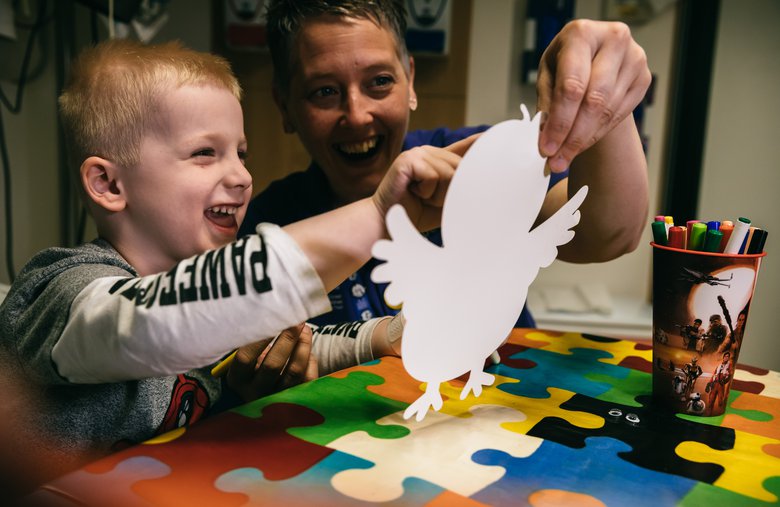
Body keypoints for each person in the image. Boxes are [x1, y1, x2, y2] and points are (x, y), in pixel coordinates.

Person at [0, 38, 464, 490]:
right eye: (205, 153)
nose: (243, 177)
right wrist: (377, 217)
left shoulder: (210, 298)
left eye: (240, 154)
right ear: (109, 184)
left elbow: (283, 340)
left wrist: (387, 336)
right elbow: (150, 322)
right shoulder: (58, 288)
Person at [239, 0, 651, 328]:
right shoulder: (267, 228)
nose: (358, 114)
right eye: (324, 91)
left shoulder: (469, 160)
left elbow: (607, 234)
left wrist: (605, 94)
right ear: (285, 106)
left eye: (380, 82)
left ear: (410, 80)